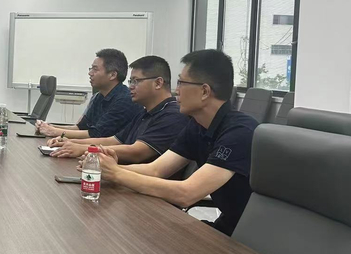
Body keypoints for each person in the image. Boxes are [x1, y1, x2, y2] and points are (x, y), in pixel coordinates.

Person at [88, 50, 258, 236]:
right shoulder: (198, 125)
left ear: (204, 91)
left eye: (182, 83)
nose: (177, 91)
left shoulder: (239, 132)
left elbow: (187, 193)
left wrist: (117, 174)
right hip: (229, 226)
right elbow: (156, 170)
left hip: (250, 237)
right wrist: (105, 167)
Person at [46, 56, 189, 163]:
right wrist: (70, 142)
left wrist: (84, 148)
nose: (131, 86)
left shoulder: (172, 114)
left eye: (136, 81)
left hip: (144, 189)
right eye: (130, 81)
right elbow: (115, 140)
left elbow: (137, 151)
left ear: (158, 83)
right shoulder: (146, 112)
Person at [35, 48, 142, 140]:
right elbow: (81, 128)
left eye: (95, 69)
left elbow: (96, 134)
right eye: (91, 69)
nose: (90, 73)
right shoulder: (99, 96)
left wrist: (54, 132)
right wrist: (50, 127)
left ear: (113, 75)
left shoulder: (125, 100)